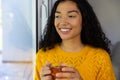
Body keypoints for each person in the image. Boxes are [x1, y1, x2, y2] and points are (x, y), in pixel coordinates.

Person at [34, 0, 116, 80]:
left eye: (71, 16)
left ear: (84, 20)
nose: (63, 22)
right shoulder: (42, 56)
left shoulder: (100, 57)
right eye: (58, 16)